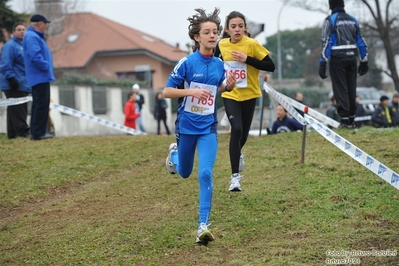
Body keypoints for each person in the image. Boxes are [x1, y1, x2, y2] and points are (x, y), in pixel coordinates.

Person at [163, 7, 236, 244]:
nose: (213, 36)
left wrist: (229, 86)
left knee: (205, 173)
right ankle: (173, 154)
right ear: (197, 37)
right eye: (207, 32)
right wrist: (191, 90)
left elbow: (218, 89)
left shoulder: (219, 64)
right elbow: (166, 91)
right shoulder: (186, 63)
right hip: (186, 127)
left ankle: (202, 225)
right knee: (184, 172)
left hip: (208, 128)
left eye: (215, 32)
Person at [214, 11, 275, 192]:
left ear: (245, 28)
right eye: (233, 26)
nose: (237, 29)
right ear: (227, 29)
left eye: (240, 26)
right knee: (237, 129)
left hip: (250, 95)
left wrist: (247, 59)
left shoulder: (252, 44)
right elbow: (214, 65)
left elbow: (270, 66)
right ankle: (235, 179)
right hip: (230, 94)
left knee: (244, 136)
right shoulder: (222, 45)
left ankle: (237, 152)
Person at [319, 0, 368, 129]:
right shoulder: (353, 20)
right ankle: (352, 119)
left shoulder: (330, 20)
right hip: (352, 56)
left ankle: (345, 120)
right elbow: (362, 41)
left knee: (340, 88)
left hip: (337, 58)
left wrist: (322, 62)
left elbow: (326, 42)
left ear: (331, 5)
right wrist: (364, 60)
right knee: (351, 87)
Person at [23, 14, 56, 140]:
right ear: (39, 24)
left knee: (41, 104)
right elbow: (35, 56)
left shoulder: (35, 36)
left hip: (41, 76)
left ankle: (38, 132)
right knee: (41, 105)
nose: (46, 26)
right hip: (39, 76)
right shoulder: (32, 37)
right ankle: (38, 133)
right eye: (45, 23)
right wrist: (45, 67)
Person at [0, 22, 31, 139]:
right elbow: (5, 63)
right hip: (14, 82)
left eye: (24, 29)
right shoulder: (10, 45)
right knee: (19, 109)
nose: (22, 31)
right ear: (13, 32)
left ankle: (13, 134)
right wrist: (11, 78)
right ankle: (22, 132)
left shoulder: (24, 46)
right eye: (19, 29)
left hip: (23, 82)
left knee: (14, 108)